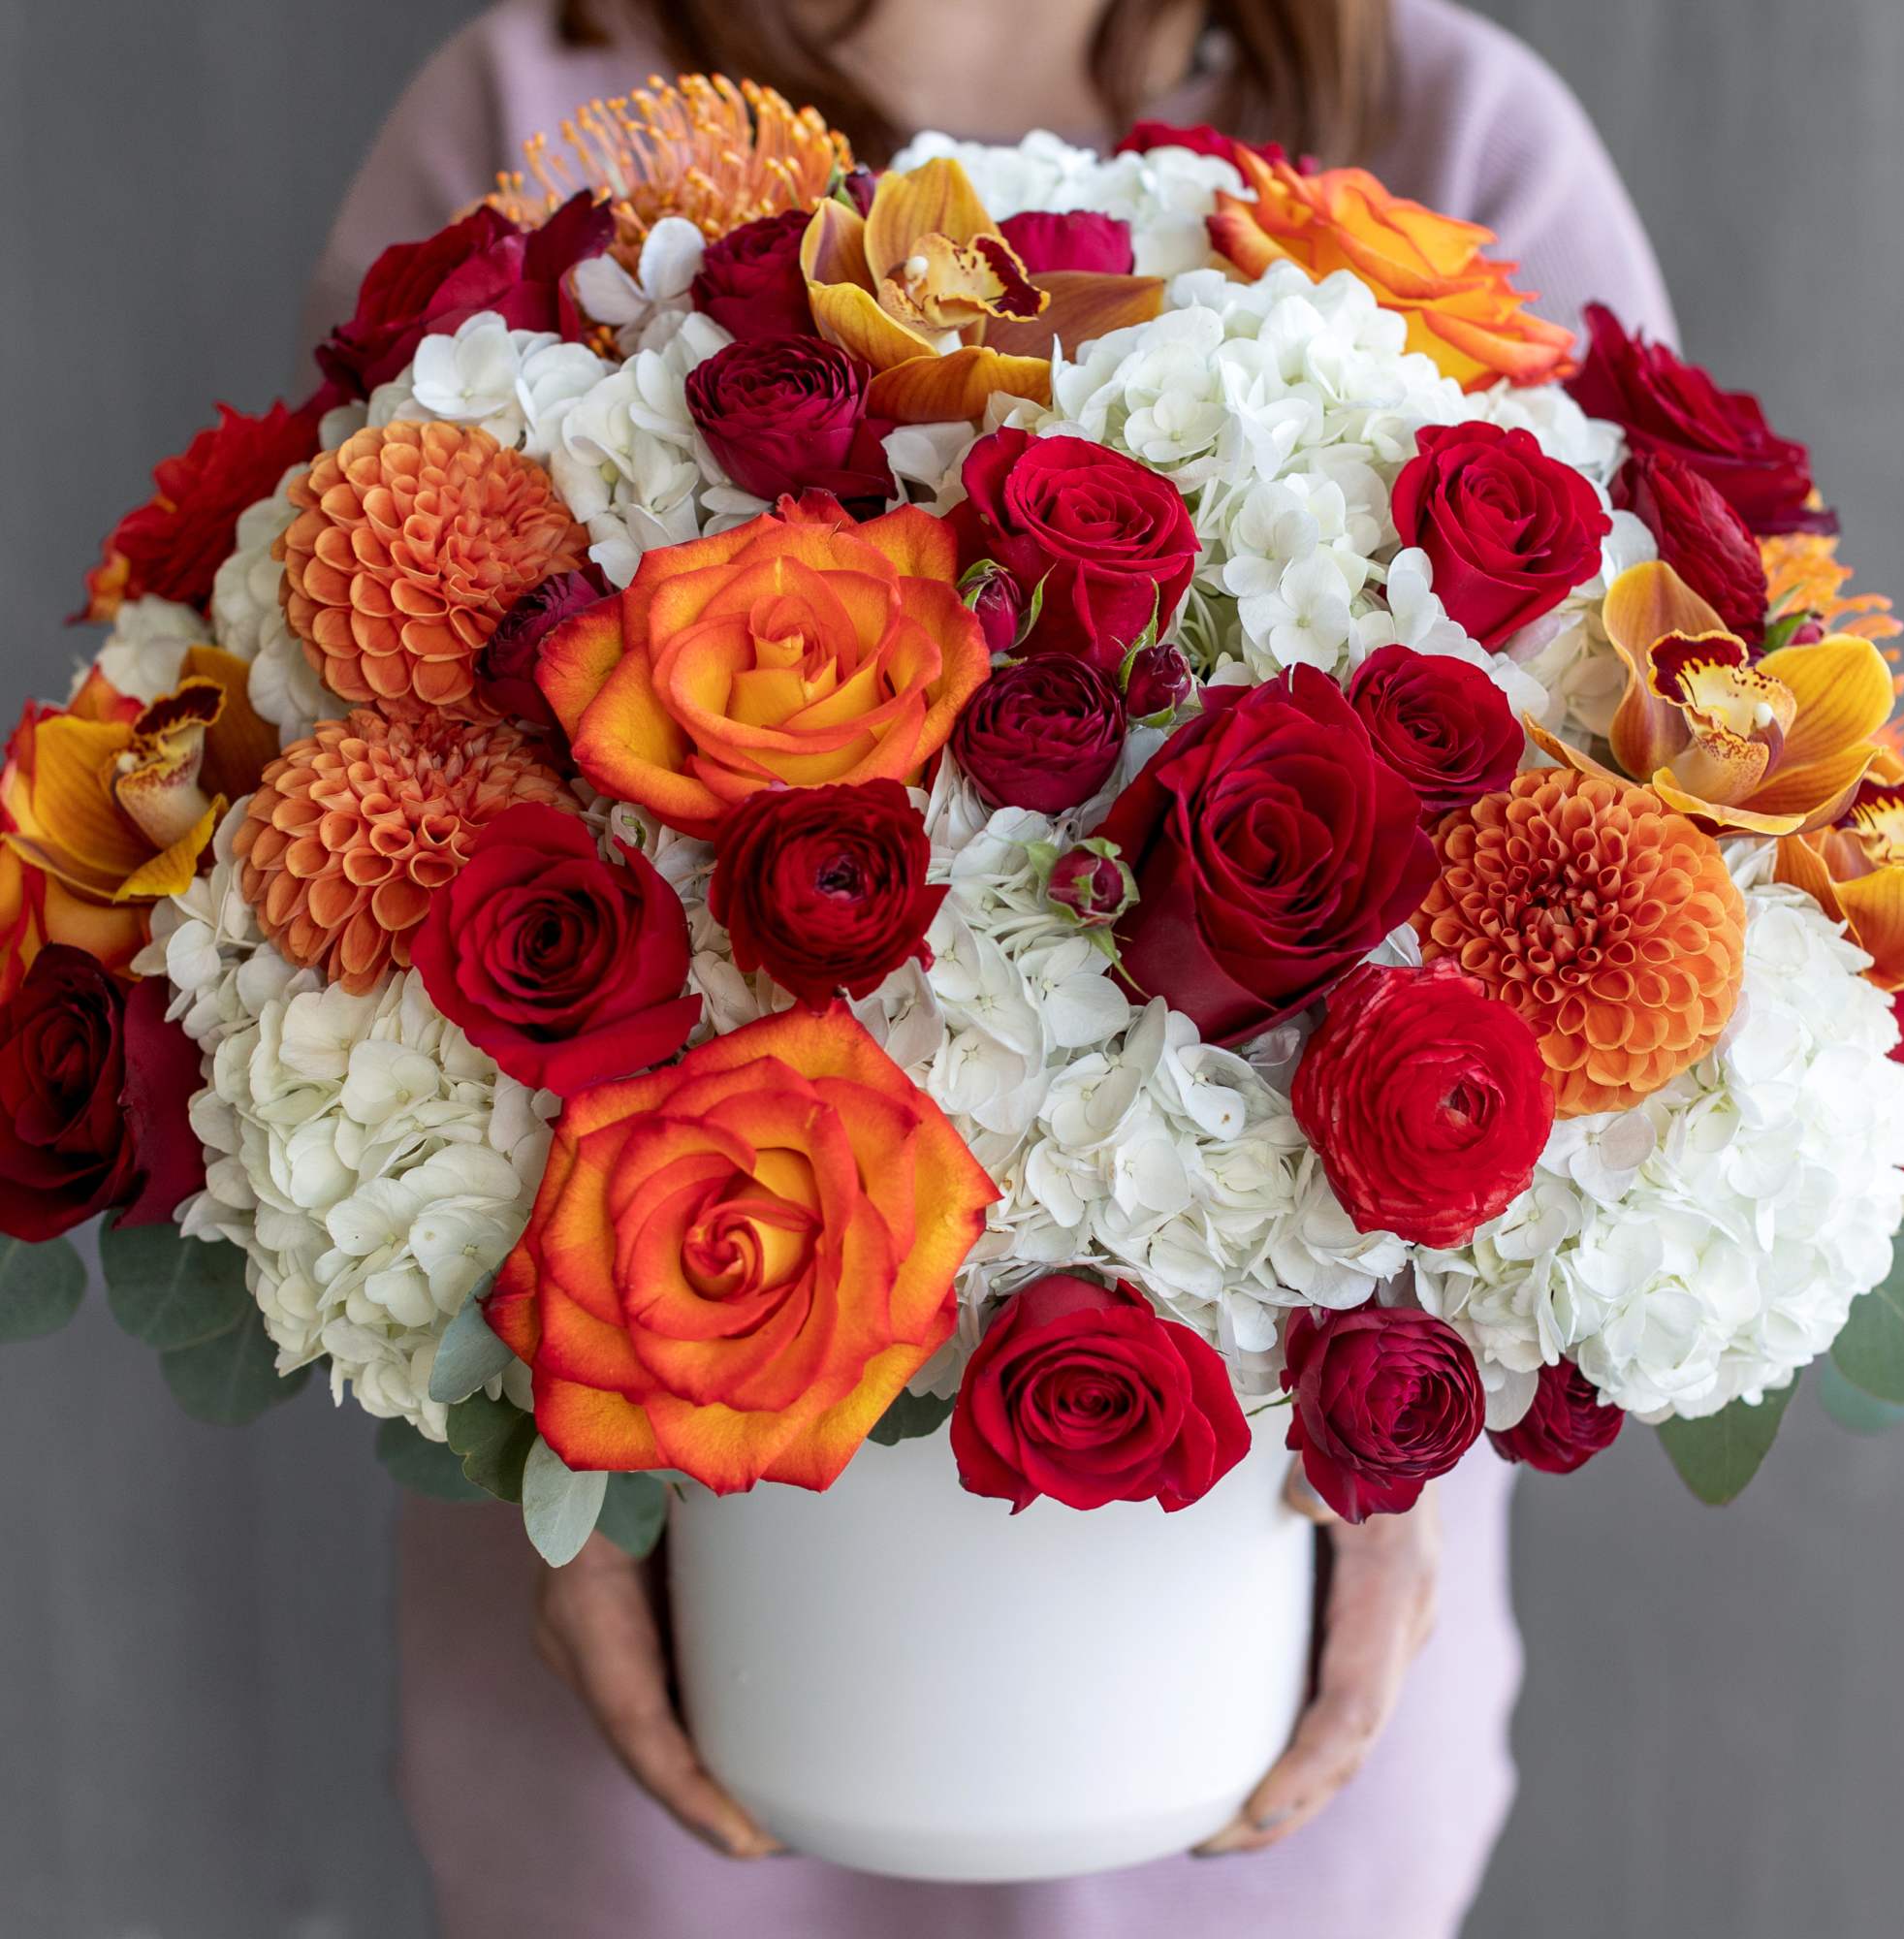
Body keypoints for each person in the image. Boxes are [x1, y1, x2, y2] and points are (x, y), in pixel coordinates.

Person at [303, 4, 1675, 1933]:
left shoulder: (1444, 129)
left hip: (1246, 1683)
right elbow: (332, 832)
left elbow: (1658, 851)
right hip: (653, 1676)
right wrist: (525, 1458)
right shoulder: (543, 111)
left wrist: (1403, 1445)